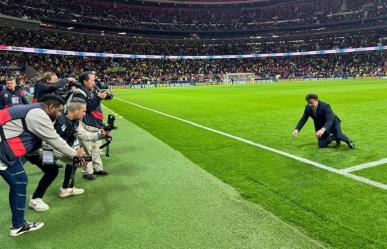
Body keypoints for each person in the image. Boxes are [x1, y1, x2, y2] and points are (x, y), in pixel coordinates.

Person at [0, 94, 85, 236]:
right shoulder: (39, 115)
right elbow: (54, 140)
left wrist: (71, 160)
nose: (59, 115)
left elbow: (46, 146)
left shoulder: (36, 112)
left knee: (19, 181)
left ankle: (19, 224)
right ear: (50, 107)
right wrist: (75, 154)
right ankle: (18, 225)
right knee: (20, 182)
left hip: (7, 150)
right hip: (3, 150)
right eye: (58, 111)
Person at [72, 71, 111, 180]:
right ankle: (87, 172)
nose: (94, 82)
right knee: (87, 149)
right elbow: (87, 107)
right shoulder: (79, 92)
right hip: (86, 125)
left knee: (96, 148)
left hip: (95, 124)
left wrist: (107, 96)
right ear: (85, 81)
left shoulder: (90, 90)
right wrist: (98, 98)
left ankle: (97, 168)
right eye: (92, 80)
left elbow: (95, 101)